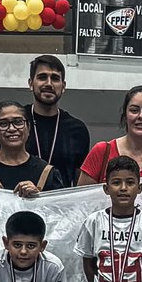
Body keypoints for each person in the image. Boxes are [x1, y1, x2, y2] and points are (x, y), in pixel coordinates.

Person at [78, 86, 142, 185]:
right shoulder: (101, 152)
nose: (141, 116)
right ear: (125, 115)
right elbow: (81, 200)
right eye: (134, 110)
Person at [0, 101, 67, 195]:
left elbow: (58, 209)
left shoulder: (46, 172)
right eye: (3, 124)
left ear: (28, 128)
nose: (11, 129)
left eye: (18, 122)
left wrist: (39, 197)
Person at [24, 54, 89, 188]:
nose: (48, 84)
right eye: (42, 77)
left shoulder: (77, 129)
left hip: (62, 206)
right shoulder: (16, 122)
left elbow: (80, 184)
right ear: (31, 83)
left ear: (63, 86)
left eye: (55, 78)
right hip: (19, 205)